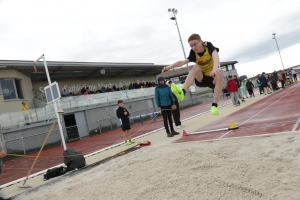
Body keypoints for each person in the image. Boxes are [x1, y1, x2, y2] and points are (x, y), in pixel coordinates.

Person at [161, 33, 223, 115]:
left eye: (195, 44)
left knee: (220, 74)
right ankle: (182, 92)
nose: (194, 47)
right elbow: (183, 62)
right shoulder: (193, 53)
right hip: (202, 78)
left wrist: (215, 68)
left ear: (201, 41)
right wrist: (171, 66)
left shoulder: (208, 45)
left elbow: (215, 55)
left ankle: (214, 106)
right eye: (191, 46)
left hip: (213, 77)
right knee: (195, 67)